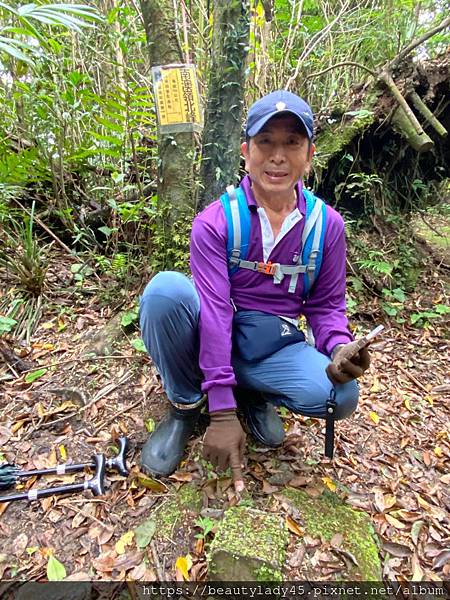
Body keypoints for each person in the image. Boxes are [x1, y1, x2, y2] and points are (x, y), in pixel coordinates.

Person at [139, 90, 370, 491]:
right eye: (266, 142)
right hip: (217, 334)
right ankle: (185, 406)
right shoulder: (215, 223)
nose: (278, 156)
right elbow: (213, 312)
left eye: (291, 143)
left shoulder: (326, 225)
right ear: (246, 151)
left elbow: (327, 304)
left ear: (309, 154)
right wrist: (222, 416)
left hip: (270, 344)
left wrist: (337, 348)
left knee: (341, 395)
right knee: (165, 293)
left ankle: (254, 394)